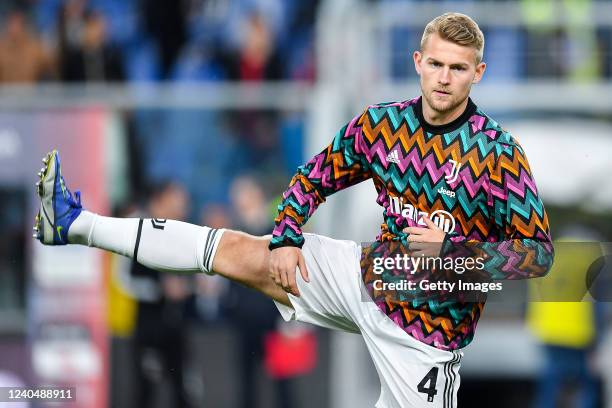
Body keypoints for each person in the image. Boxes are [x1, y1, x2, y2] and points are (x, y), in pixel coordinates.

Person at [33, 13, 553, 408]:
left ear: (477, 73)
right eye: (435, 63)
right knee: (238, 250)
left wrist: (455, 252)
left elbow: (538, 258)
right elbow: (312, 179)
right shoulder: (381, 126)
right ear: (417, 62)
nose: (443, 78)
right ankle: (75, 223)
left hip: (427, 339)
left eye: (458, 68)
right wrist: (284, 234)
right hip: (369, 275)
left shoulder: (497, 154)